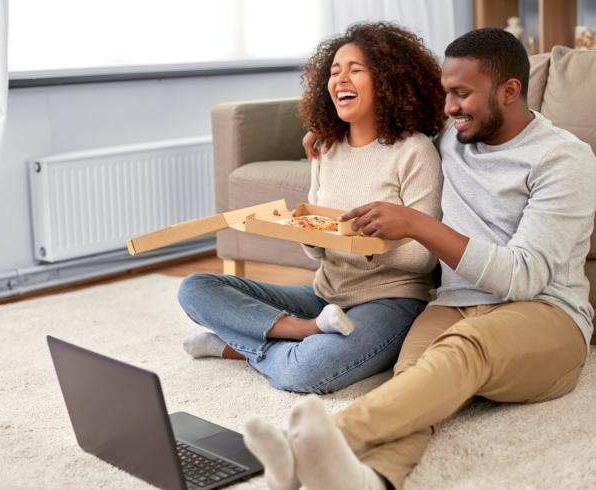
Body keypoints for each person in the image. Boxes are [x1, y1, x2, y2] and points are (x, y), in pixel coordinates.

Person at [241, 28, 596, 489]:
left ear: (509, 91)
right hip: (452, 304)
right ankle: (369, 479)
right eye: (447, 93)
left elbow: (523, 278)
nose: (449, 109)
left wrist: (417, 225)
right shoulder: (453, 136)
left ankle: (312, 445)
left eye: (462, 94)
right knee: (414, 386)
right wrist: (327, 132)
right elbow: (387, 126)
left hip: (547, 315)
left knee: (462, 349)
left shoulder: (564, 159)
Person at [177, 22, 445, 394]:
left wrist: (368, 245)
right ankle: (302, 330)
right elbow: (316, 249)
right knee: (194, 288)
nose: (340, 79)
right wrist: (308, 233)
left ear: (387, 80)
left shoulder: (414, 152)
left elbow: (423, 259)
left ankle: (233, 347)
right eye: (334, 72)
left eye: (355, 69)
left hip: (391, 301)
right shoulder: (326, 149)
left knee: (305, 371)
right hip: (323, 298)